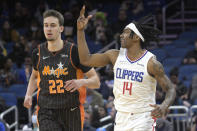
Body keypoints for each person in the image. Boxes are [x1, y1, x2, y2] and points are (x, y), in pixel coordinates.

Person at [77, 6, 176, 131]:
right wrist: (80, 32)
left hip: (143, 116)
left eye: (126, 33)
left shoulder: (151, 63)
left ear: (136, 37)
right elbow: (85, 60)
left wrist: (164, 106)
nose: (121, 35)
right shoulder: (114, 55)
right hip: (121, 116)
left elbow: (170, 89)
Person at [23, 9, 100, 131]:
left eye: (53, 25)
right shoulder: (37, 52)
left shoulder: (74, 52)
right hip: (46, 110)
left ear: (61, 29)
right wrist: (28, 95)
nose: (48, 29)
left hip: (71, 110)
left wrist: (81, 82)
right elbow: (34, 76)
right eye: (46, 25)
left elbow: (96, 81)